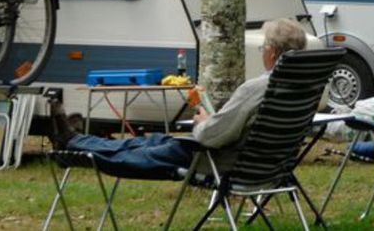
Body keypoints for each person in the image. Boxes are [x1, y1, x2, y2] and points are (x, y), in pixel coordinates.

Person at [49, 18, 308, 180]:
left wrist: (203, 120)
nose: (262, 51)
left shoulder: (257, 88)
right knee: (151, 141)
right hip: (271, 168)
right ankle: (73, 140)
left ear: (272, 54)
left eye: (263, 47)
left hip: (220, 163)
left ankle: (70, 149)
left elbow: (211, 136)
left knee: (138, 153)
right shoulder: (304, 88)